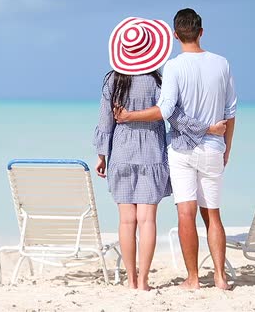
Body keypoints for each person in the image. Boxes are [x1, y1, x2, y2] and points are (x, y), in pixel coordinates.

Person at [93, 17, 226, 291]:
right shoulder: (157, 81)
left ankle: (130, 281)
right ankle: (143, 282)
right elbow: (173, 116)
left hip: (121, 152)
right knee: (147, 219)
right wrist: (206, 129)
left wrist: (102, 156)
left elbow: (105, 123)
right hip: (152, 152)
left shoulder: (111, 81)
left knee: (126, 220)